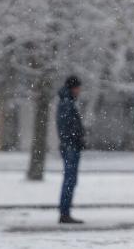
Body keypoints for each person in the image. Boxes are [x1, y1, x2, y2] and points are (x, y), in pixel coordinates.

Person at [56, 75, 85, 224]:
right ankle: (64, 212)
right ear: (73, 88)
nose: (79, 91)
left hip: (70, 146)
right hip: (70, 147)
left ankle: (65, 212)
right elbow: (68, 128)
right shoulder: (67, 104)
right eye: (78, 88)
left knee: (70, 180)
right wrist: (77, 139)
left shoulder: (66, 102)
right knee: (70, 180)